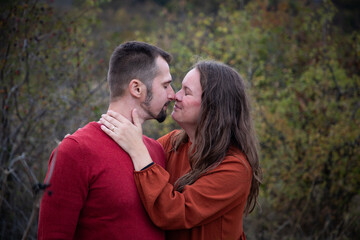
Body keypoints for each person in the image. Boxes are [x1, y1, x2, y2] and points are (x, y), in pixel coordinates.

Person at [100, 60, 262, 240]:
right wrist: (80, 148)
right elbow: (127, 164)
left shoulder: (235, 167)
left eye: (187, 92)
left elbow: (173, 212)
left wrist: (138, 150)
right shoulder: (173, 143)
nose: (175, 96)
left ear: (212, 106)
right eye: (179, 88)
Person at [38, 41, 175, 240]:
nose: (172, 94)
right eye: (165, 85)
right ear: (137, 88)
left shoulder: (156, 152)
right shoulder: (76, 151)